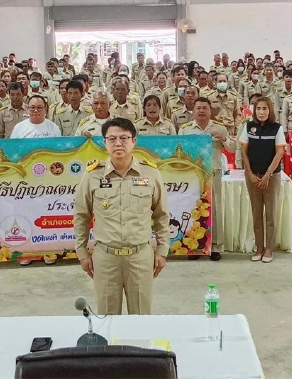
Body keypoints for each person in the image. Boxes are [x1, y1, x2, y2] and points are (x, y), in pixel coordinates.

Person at [73, 118, 170, 315]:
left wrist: (162, 250)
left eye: (124, 138)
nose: (118, 143)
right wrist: (82, 252)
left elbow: (161, 215)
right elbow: (81, 216)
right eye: (112, 139)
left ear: (134, 141)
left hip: (140, 257)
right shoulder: (92, 175)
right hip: (106, 258)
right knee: (108, 320)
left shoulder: (150, 173)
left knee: (141, 318)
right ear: (104, 142)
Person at [180, 97, 234, 260]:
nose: (201, 111)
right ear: (193, 111)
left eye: (205, 108)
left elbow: (233, 148)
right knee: (193, 209)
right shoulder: (185, 129)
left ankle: (215, 246)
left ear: (210, 111)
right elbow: (180, 151)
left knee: (214, 210)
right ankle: (194, 247)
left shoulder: (219, 128)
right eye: (198, 108)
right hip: (193, 175)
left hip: (213, 174)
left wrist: (223, 138)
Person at [238, 96, 286, 263]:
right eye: (258, 108)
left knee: (270, 214)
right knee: (256, 213)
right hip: (252, 176)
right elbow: (244, 151)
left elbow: (279, 154)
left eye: (265, 108)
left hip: (271, 177)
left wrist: (267, 175)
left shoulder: (277, 128)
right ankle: (259, 247)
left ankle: (269, 248)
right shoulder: (248, 127)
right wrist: (249, 172)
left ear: (270, 110)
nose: (261, 112)